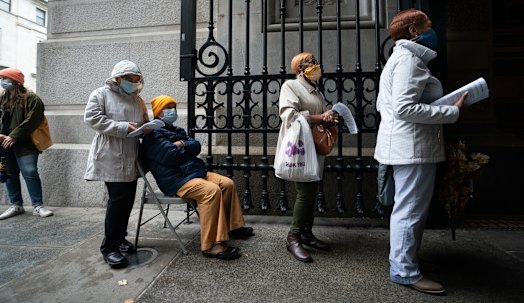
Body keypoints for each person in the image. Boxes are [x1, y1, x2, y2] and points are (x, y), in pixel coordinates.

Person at [374, 9, 468, 295]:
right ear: (414, 32)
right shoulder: (409, 60)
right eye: (428, 25)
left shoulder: (400, 59)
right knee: (411, 210)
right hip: (412, 148)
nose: (432, 29)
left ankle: (406, 259)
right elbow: (404, 108)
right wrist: (450, 110)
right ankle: (404, 271)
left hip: (406, 146)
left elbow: (386, 105)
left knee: (408, 209)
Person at [140, 95, 254, 260]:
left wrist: (182, 144)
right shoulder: (152, 134)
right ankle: (211, 245)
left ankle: (232, 227)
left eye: (174, 106)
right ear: (159, 112)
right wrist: (184, 148)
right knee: (211, 191)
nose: (172, 110)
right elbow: (171, 156)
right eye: (168, 108)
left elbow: (196, 145)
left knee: (227, 184)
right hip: (176, 180)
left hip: (192, 172)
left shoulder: (177, 130)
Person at [84, 60, 149, 269]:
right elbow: (93, 119)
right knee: (118, 201)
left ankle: (120, 239)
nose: (132, 83)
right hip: (110, 155)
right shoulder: (100, 94)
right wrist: (123, 127)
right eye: (129, 79)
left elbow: (143, 120)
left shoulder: (137, 100)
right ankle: (109, 247)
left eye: (136, 80)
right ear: (118, 78)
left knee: (127, 200)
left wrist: (146, 127)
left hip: (130, 156)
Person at [277, 52, 339, 263]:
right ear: (300, 68)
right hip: (300, 146)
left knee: (312, 189)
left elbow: (317, 116)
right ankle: (293, 237)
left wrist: (329, 116)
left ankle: (306, 233)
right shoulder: (291, 87)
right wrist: (320, 116)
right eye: (309, 63)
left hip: (314, 145)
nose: (315, 65)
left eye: (315, 62)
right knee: (305, 191)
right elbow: (289, 115)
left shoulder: (316, 91)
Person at [0, 68, 53, 220]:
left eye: (5, 78)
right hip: (4, 143)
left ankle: (38, 206)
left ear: (16, 82)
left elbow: (33, 120)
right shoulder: (2, 97)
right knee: (9, 173)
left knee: (29, 172)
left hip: (26, 143)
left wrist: (14, 136)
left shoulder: (31, 98)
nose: (2, 81)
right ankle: (15, 205)